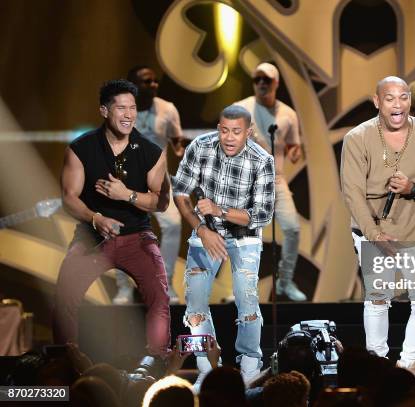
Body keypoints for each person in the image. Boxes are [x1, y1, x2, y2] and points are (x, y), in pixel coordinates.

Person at [340, 76, 415, 382]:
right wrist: (375, 235)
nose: (397, 104)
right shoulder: (357, 137)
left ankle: (409, 366)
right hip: (372, 229)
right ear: (377, 101)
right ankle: (377, 366)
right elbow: (352, 192)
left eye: (402, 97)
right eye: (389, 98)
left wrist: (413, 187)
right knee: (378, 297)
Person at [53, 79, 171, 357]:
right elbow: (69, 197)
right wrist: (96, 219)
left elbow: (161, 202)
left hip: (137, 237)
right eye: (121, 108)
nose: (129, 114)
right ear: (105, 111)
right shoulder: (81, 149)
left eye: (132, 108)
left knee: (160, 296)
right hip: (91, 237)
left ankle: (157, 360)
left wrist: (127, 195)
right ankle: (64, 362)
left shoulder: (151, 153)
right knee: (64, 297)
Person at [172, 105, 275, 389]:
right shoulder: (200, 147)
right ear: (218, 128)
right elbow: (180, 191)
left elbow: (262, 215)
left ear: (249, 132)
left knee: (246, 297)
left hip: (245, 235)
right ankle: (207, 368)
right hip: (207, 232)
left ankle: (250, 365)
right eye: (224, 130)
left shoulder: (262, 160)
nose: (229, 137)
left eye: (237, 132)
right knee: (194, 300)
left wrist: (220, 211)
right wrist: (201, 228)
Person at [112, 66, 185, 305]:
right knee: (119, 230)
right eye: (147, 82)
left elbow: (176, 141)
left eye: (155, 81)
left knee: (173, 224)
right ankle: (124, 288)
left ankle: (165, 283)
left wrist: (179, 149)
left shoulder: (168, 109)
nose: (153, 85)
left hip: (158, 180)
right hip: (127, 180)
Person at [234, 62, 306, 301]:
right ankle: (242, 288)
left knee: (292, 228)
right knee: (245, 234)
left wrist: (295, 153)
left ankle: (284, 281)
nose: (262, 84)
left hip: (276, 179)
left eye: (266, 79)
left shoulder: (288, 114)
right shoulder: (240, 109)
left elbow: (294, 146)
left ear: (276, 82)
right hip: (248, 180)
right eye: (257, 79)